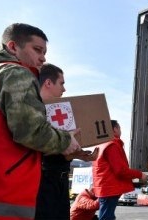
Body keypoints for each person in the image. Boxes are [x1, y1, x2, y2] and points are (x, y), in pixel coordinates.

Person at [0, 23, 81, 219]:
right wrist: (66, 141)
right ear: (13, 47)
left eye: (45, 52)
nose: (43, 57)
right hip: (2, 195)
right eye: (37, 49)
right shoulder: (14, 72)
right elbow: (31, 131)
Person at [35, 63, 98, 219]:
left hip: (60, 181)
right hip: (44, 184)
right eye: (61, 83)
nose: (64, 89)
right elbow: (37, 152)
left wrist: (78, 154)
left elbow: (53, 151)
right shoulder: (33, 112)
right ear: (48, 83)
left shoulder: (62, 112)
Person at [92, 120, 147, 220]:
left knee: (107, 216)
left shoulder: (102, 144)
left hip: (105, 188)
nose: (121, 130)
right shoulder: (111, 145)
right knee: (107, 217)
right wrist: (139, 174)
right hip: (109, 189)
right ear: (114, 129)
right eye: (119, 128)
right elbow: (120, 170)